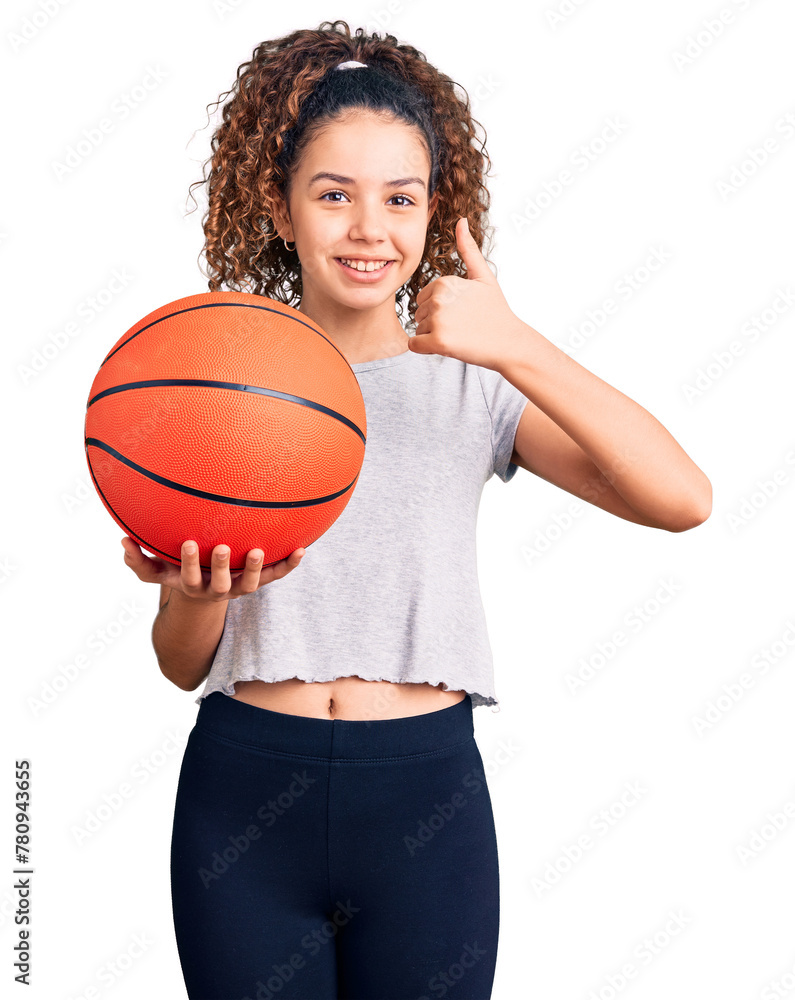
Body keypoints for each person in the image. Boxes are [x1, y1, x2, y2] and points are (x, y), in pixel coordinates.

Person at [120, 20, 712, 1000]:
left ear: (436, 211)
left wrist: (518, 341)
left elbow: (682, 497)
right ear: (279, 205)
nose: (369, 228)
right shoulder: (220, 379)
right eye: (334, 195)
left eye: (400, 198)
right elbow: (184, 658)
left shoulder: (473, 381)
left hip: (424, 801)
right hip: (244, 796)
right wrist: (193, 595)